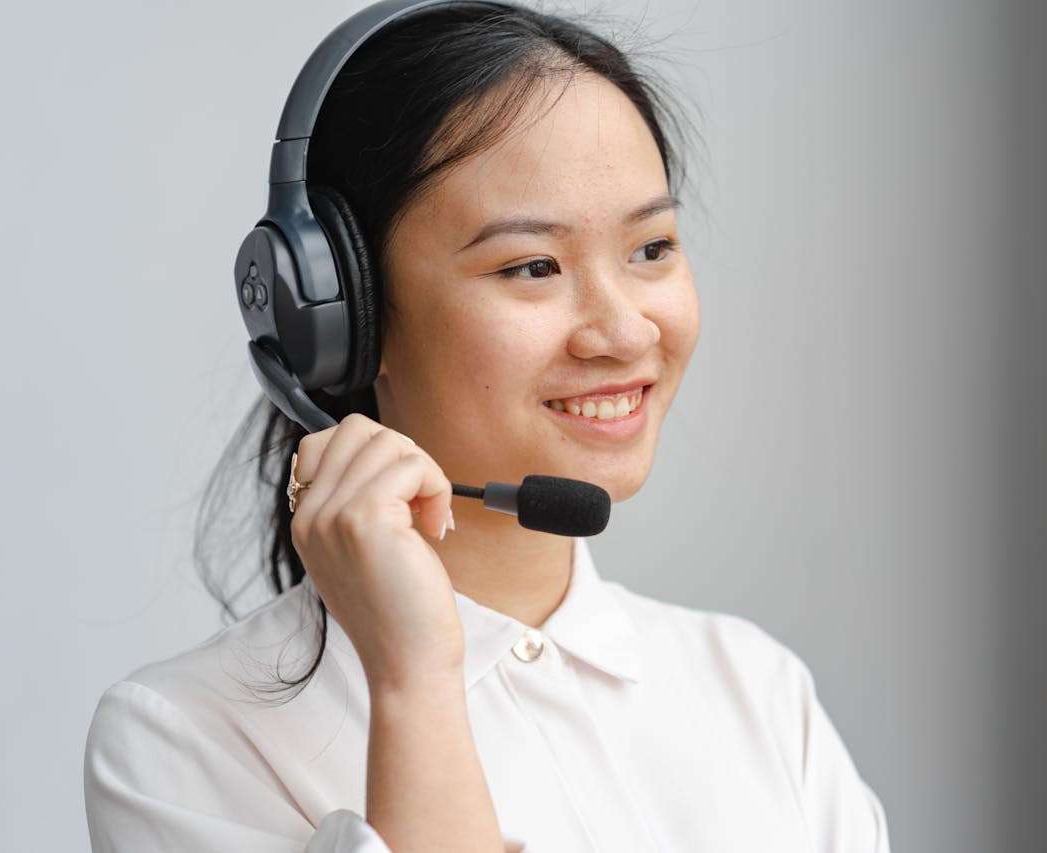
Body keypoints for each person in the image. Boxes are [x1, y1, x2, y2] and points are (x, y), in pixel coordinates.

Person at [83, 2, 891, 851]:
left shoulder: (757, 692)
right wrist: (415, 684)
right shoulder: (183, 741)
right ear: (343, 318)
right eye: (533, 265)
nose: (623, 332)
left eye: (651, 247)